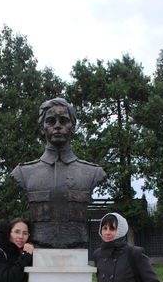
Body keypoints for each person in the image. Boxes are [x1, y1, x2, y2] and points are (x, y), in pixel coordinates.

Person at [11, 98, 106, 248]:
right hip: (41, 251)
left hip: (76, 251)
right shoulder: (24, 172)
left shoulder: (93, 172)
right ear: (42, 127)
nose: (57, 126)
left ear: (72, 127)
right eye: (50, 121)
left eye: (63, 121)